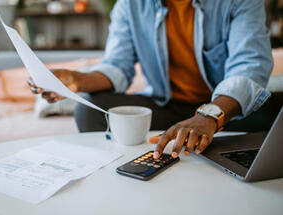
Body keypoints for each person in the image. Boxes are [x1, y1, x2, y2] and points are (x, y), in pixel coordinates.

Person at [28, 0, 282, 160]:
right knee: (89, 111)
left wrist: (209, 117)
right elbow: (117, 66)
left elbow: (249, 66)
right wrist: (78, 80)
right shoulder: (130, 6)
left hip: (226, 111)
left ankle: (205, 137)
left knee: (277, 112)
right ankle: (192, 141)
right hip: (167, 108)